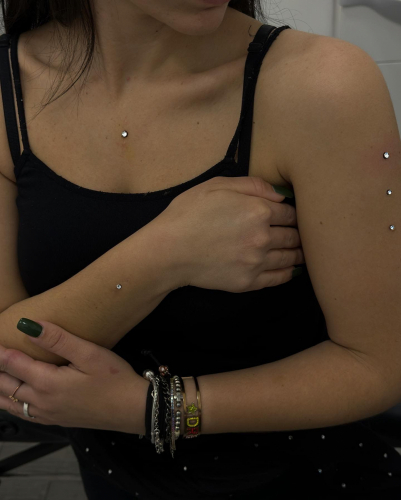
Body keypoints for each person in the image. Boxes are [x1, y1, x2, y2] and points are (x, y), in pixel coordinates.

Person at [0, 1, 400, 499]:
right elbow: (8, 353)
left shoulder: (321, 84)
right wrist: (165, 255)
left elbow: (379, 363)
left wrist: (153, 408)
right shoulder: (9, 87)